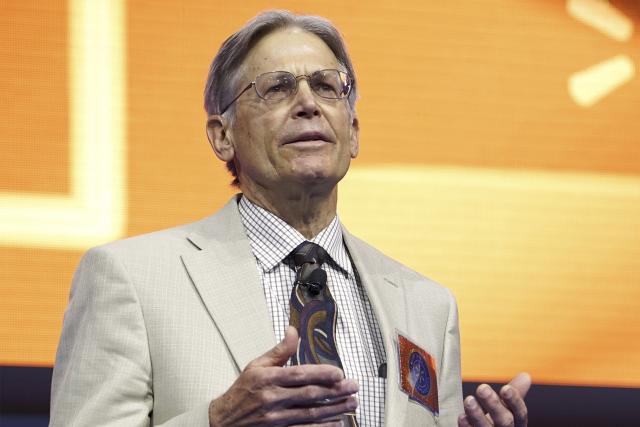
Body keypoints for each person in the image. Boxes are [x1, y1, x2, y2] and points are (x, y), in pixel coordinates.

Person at [50, 10, 530, 427]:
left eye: (326, 86)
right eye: (277, 88)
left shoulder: (427, 306)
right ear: (222, 136)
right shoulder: (131, 279)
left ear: (354, 132)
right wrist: (217, 421)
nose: (308, 104)